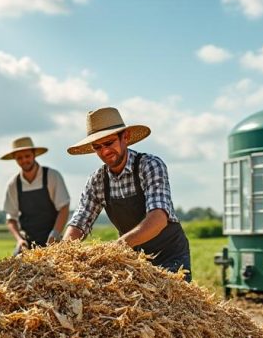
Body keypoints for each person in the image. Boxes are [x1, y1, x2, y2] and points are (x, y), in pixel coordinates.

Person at [64, 107, 191, 280]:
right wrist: (62, 254)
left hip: (169, 257)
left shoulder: (150, 165)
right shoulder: (97, 180)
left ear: (125, 137)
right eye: (97, 147)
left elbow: (158, 218)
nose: (105, 151)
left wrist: (116, 246)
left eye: (109, 143)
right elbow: (80, 222)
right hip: (132, 260)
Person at [0, 136, 70, 254]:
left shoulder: (52, 176)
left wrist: (55, 233)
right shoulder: (13, 184)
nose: (24, 160)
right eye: (19, 158)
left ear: (34, 154)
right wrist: (19, 240)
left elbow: (64, 207)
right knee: (12, 270)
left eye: (27, 156)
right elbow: (11, 219)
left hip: (53, 240)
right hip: (27, 243)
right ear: (15, 159)